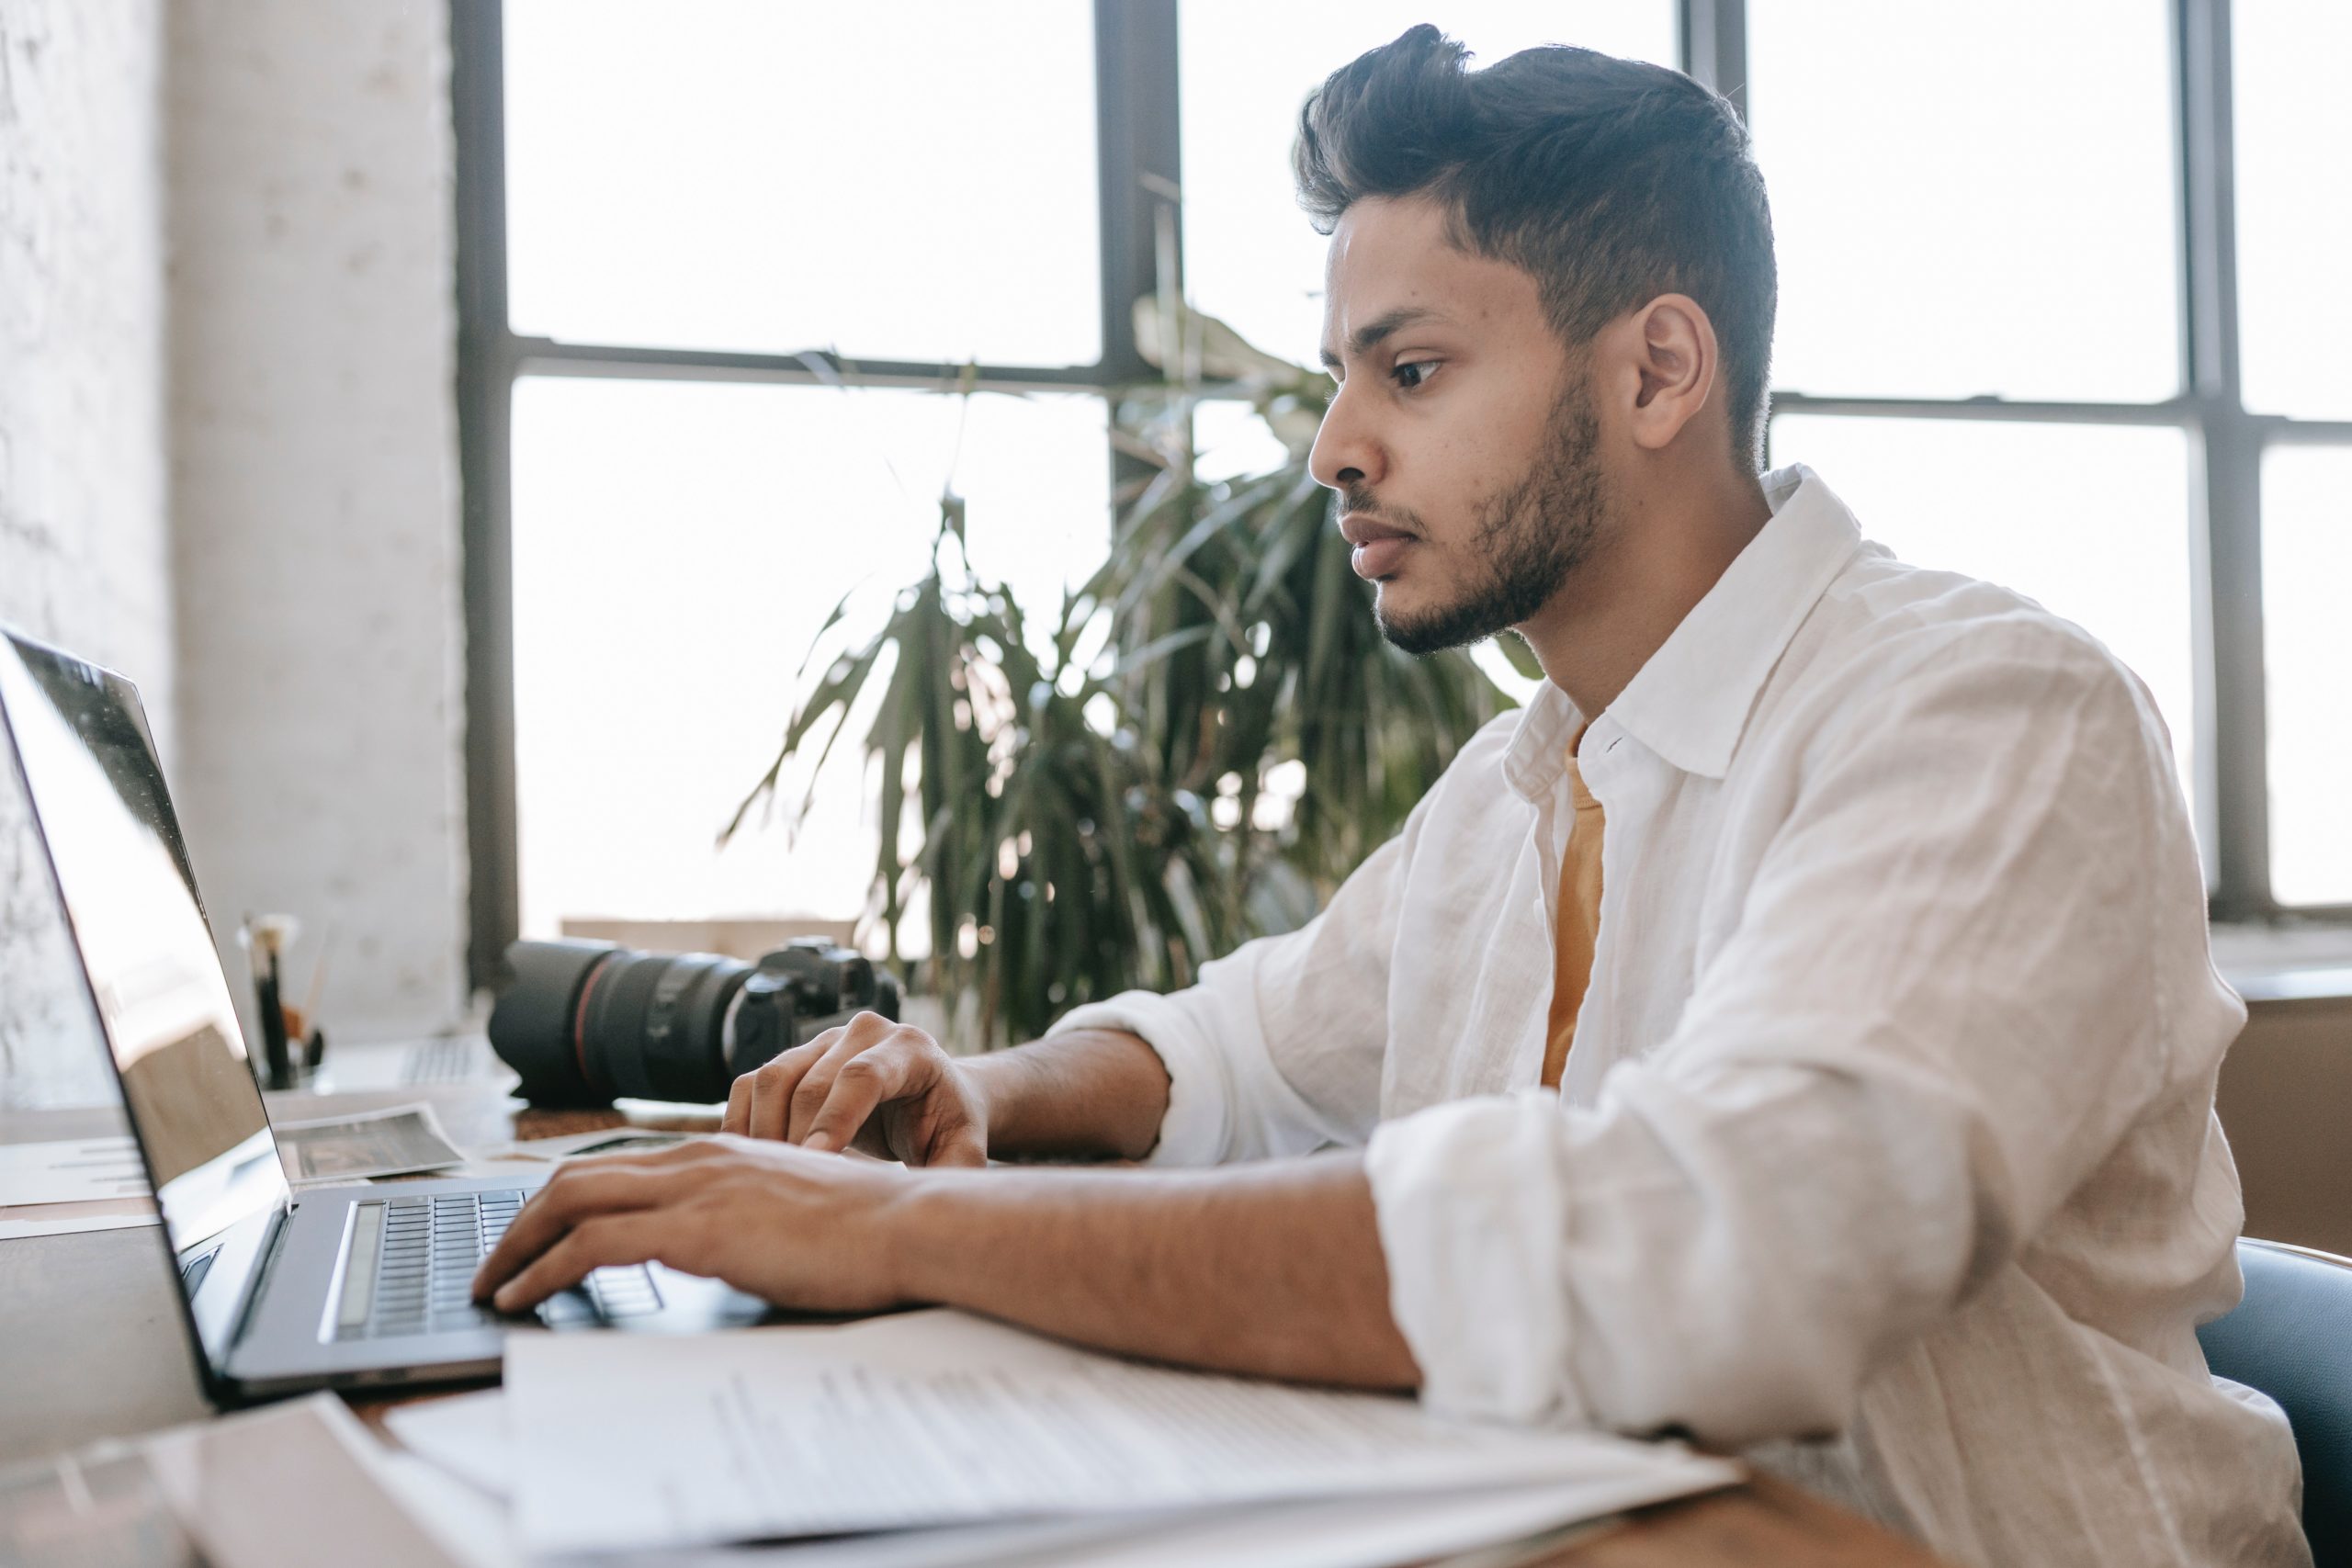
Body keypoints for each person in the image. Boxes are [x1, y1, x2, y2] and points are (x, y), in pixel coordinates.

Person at [476, 28, 2307, 1566]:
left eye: (1409, 369)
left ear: (1657, 365)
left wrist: (891, 1233)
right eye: (1342, 372)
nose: (1333, 444)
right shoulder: (1520, 777)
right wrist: (977, 1089)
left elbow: (1709, 1245)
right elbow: (1246, 1053)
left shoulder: (1985, 712)